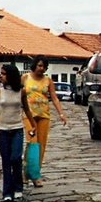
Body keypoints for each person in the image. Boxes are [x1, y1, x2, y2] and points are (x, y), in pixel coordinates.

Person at [0, 63, 37, 202]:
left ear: (11, 75)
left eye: (3, 73)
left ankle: (18, 188)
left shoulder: (21, 91)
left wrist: (33, 125)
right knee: (6, 161)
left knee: (15, 158)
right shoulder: (0, 92)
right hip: (3, 130)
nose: (1, 76)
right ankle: (7, 192)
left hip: (17, 129)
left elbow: (26, 109)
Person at [22, 57, 68, 186]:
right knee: (32, 143)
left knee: (41, 146)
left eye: (43, 66)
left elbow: (54, 98)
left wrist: (61, 113)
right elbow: (18, 93)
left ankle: (36, 175)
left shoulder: (48, 80)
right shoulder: (25, 78)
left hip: (43, 115)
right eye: (39, 65)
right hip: (29, 115)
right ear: (34, 65)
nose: (41, 68)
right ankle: (26, 172)